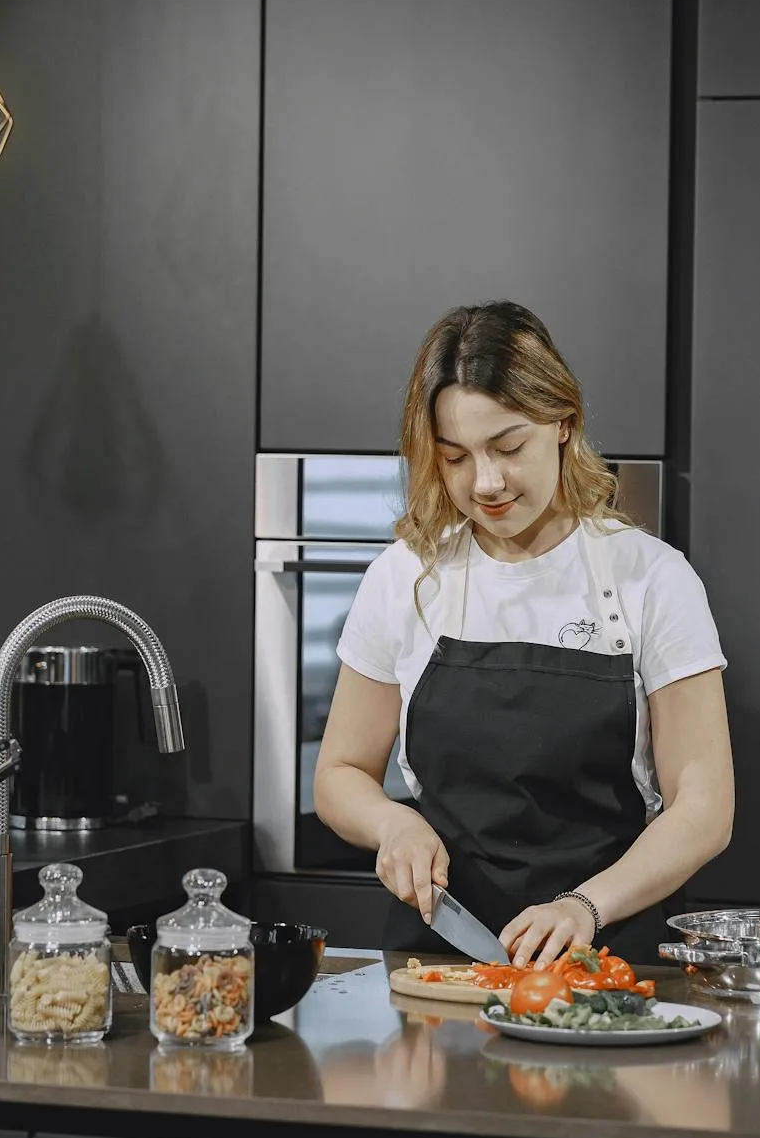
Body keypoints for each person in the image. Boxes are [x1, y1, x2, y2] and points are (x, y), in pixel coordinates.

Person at [314, 301, 736, 967]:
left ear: (563, 422)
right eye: (454, 458)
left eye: (509, 447)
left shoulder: (652, 578)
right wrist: (394, 823)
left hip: (603, 955)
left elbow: (704, 807)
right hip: (440, 958)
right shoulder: (405, 575)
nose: (485, 482)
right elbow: (339, 774)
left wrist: (584, 906)